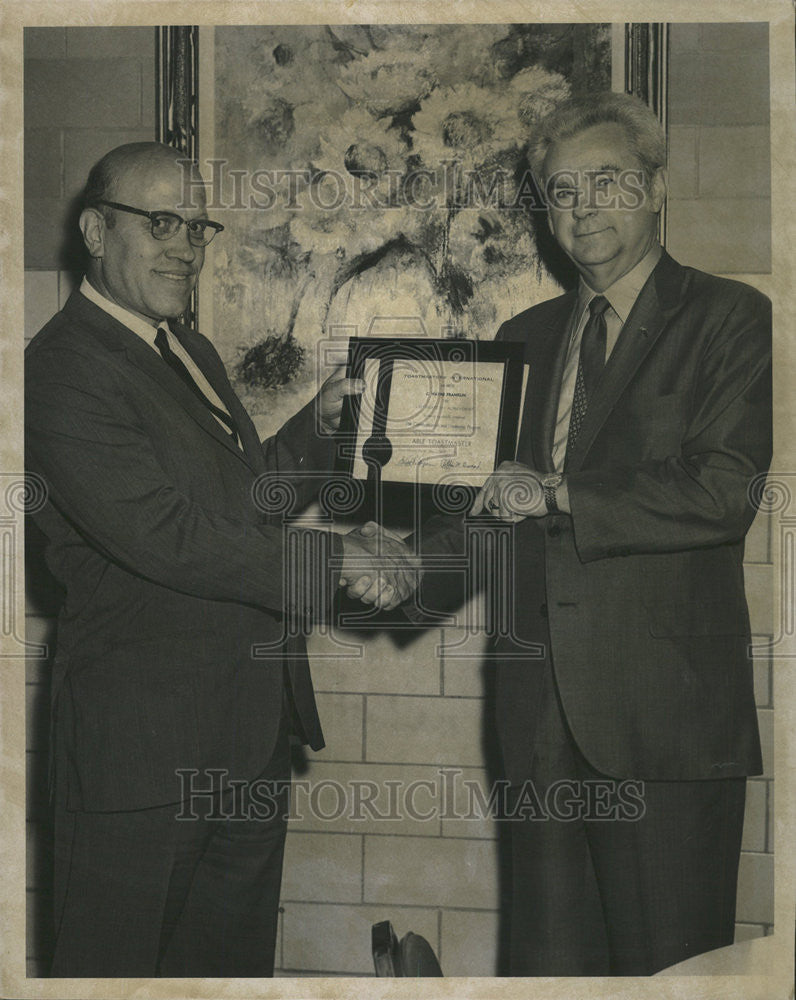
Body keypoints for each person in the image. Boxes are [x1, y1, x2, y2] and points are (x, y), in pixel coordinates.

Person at [25, 141, 418, 977]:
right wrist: (334, 558)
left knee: (229, 974)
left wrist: (320, 424)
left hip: (246, 739)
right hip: (142, 759)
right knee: (116, 972)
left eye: (196, 226)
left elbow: (239, 505)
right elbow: (165, 534)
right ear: (96, 230)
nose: (184, 246)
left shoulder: (186, 350)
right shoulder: (60, 368)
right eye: (159, 222)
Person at [413, 92, 772, 976]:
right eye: (562, 192)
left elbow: (723, 491)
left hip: (665, 721)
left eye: (607, 182)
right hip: (537, 722)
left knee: (670, 972)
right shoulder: (525, 337)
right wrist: (412, 570)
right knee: (549, 972)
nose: (582, 209)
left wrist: (559, 492)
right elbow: (498, 508)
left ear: (654, 187)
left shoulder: (729, 317)